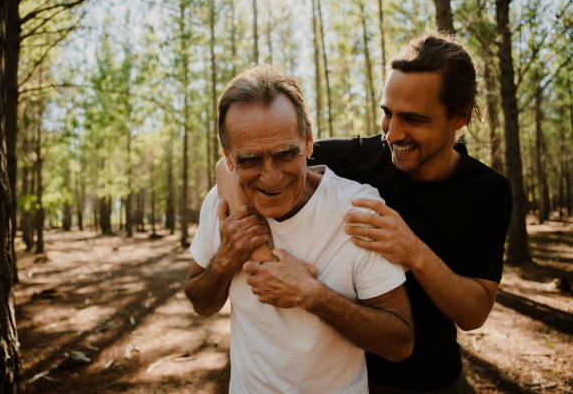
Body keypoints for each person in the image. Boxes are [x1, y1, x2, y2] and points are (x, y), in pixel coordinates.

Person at [185, 65, 414, 394]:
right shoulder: (220, 204)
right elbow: (201, 303)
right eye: (250, 159)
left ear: (308, 142)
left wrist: (314, 296)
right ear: (228, 157)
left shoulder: (358, 209)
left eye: (285, 153)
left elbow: (400, 342)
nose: (271, 176)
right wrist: (225, 258)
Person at [310, 33, 513, 393]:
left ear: (460, 117)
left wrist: (413, 251)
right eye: (388, 114)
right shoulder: (354, 161)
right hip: (347, 380)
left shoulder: (488, 191)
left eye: (414, 119)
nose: (393, 133)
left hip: (434, 381)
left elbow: (473, 313)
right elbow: (241, 162)